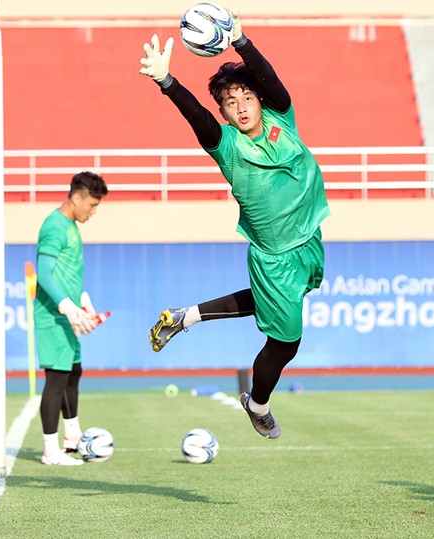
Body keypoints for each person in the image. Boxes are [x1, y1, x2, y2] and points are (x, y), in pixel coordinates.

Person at [139, 9, 330, 439]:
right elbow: (197, 117)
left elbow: (271, 79)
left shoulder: (282, 117)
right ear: (224, 113)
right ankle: (257, 403)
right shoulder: (227, 146)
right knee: (286, 343)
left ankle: (187, 317)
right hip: (275, 257)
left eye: (246, 97)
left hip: (309, 240)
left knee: (275, 306)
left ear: (259, 100)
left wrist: (241, 41)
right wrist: (166, 81)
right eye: (230, 103)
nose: (241, 106)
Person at [34, 171, 109, 465]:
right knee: (57, 379)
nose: (93, 212)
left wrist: (83, 303)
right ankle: (50, 451)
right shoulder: (55, 226)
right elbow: (44, 273)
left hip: (68, 316)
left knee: (74, 372)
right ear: (77, 198)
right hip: (53, 316)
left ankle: (72, 438)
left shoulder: (71, 227)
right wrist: (67, 306)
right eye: (92, 205)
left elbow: (68, 274)